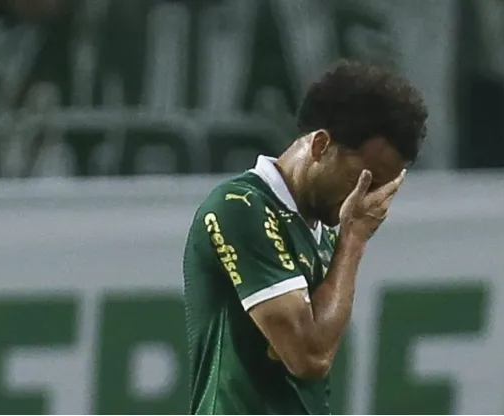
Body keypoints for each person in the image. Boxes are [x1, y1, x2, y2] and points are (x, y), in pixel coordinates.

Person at [182, 60, 428, 414]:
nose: (365, 200)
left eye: (380, 188)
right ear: (320, 145)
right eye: (362, 181)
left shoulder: (322, 236)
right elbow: (308, 358)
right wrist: (354, 239)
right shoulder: (241, 208)